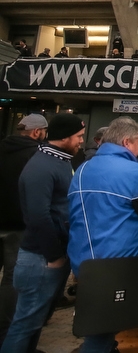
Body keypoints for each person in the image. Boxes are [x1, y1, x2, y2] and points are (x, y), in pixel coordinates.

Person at [66, 117, 138, 353]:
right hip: (120, 261)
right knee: (101, 333)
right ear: (126, 142)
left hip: (85, 257)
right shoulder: (136, 173)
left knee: (101, 327)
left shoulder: (83, 169)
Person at [1, 113, 85, 353]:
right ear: (65, 136)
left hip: (47, 257)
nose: (81, 141)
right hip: (40, 258)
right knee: (24, 324)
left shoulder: (60, 161)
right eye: (78, 136)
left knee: (34, 322)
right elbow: (37, 216)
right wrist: (55, 255)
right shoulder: (42, 165)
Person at [0, 114, 47, 343]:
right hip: (18, 224)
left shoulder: (3, 148)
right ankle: (5, 332)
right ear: (37, 132)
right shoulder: (36, 155)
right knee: (11, 279)